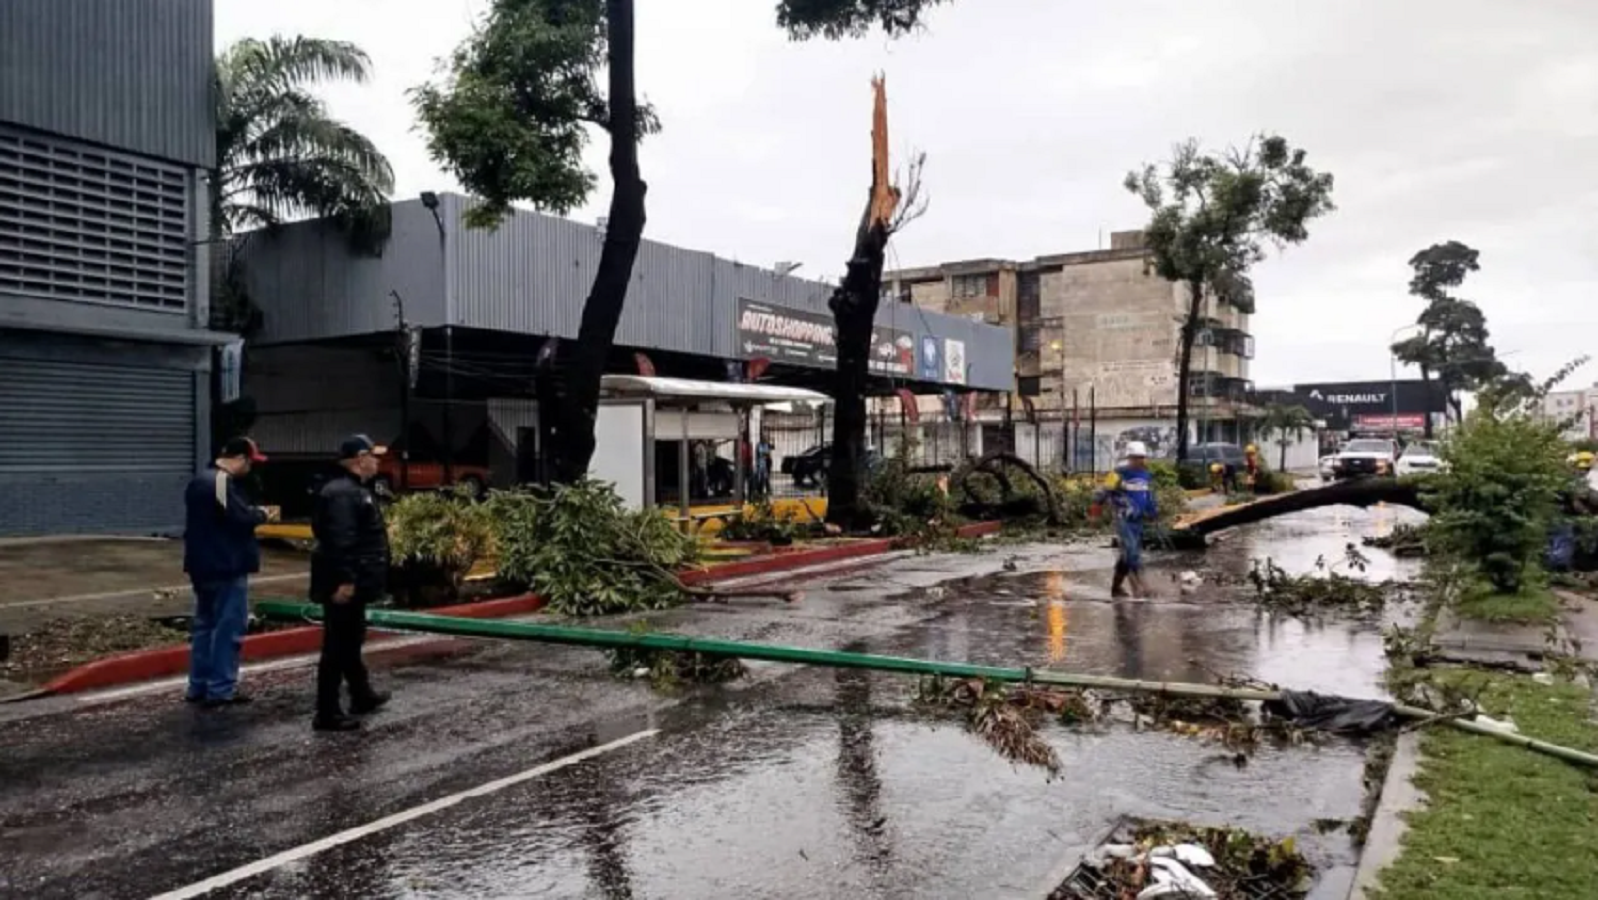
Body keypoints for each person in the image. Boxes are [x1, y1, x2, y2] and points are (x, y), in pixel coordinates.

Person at [310, 434, 393, 732]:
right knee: (337, 646)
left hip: (355, 581)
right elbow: (340, 541)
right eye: (374, 456)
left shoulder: (354, 490)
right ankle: (327, 712)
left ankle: (361, 695)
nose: (377, 461)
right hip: (344, 583)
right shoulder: (343, 493)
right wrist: (345, 580)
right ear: (360, 458)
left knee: (351, 640)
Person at [182, 437, 271, 707]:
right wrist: (260, 514)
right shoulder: (221, 482)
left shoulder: (198, 480)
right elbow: (237, 518)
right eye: (250, 463)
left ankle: (198, 685)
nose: (251, 469)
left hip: (202, 565)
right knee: (227, 628)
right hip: (226, 564)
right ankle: (221, 688)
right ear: (241, 459)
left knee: (204, 626)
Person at [1091, 440, 1158, 599]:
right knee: (1132, 552)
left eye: (1141, 457)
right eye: (1135, 457)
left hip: (1138, 520)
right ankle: (1143, 589)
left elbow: (1149, 497)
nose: (1139, 461)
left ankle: (1116, 588)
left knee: (1126, 557)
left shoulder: (1146, 475)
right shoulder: (1117, 473)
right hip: (1123, 519)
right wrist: (1095, 514)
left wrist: (1153, 514)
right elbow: (1102, 493)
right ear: (1129, 458)